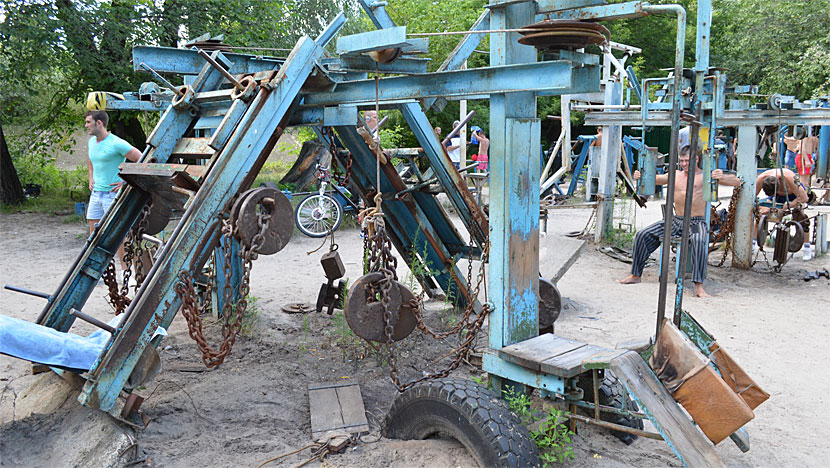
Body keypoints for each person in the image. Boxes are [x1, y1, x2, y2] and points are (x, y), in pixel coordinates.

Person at [617, 144, 741, 298]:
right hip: (676, 220)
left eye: (687, 161)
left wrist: (721, 176)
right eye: (682, 161)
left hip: (696, 221)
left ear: (696, 159)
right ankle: (636, 275)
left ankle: (699, 286)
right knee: (643, 234)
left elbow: (736, 181)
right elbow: (652, 179)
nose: (684, 164)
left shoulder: (705, 176)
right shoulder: (674, 175)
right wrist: (639, 175)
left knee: (698, 240)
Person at [84, 110, 141, 272]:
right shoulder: (91, 142)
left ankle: (126, 271)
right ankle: (95, 269)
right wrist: (90, 177)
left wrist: (125, 179)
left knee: (119, 235)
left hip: (112, 195)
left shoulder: (116, 143)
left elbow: (140, 158)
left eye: (88, 122)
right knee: (94, 235)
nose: (86, 125)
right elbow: (90, 159)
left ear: (99, 123)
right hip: (96, 194)